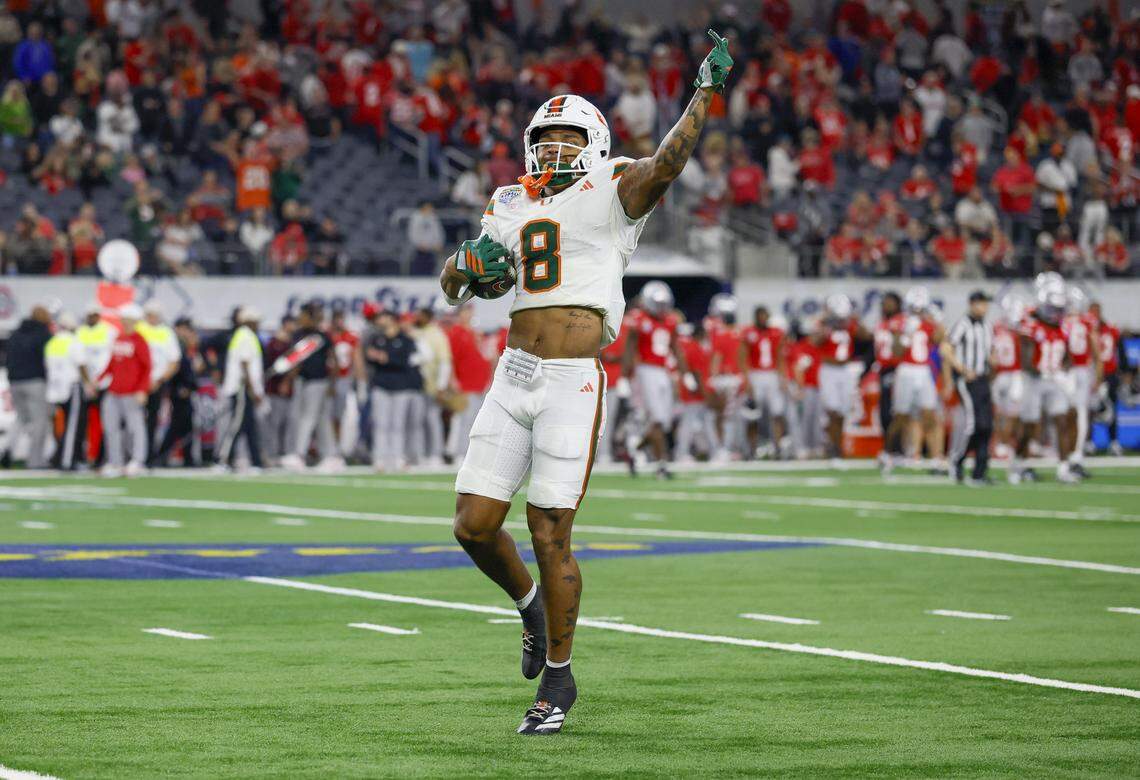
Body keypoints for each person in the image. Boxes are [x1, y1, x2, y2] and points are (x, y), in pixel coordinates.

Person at [437, 33, 731, 735]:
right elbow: (460, 286)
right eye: (550, 137)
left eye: (572, 138)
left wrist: (703, 94)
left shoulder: (614, 186)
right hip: (514, 372)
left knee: (548, 529)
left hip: (572, 377)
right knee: (473, 527)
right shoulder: (508, 201)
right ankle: (528, 605)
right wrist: (466, 263)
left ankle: (559, 683)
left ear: (594, 144)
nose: (560, 149)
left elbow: (668, 163)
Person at [622, 282, 691, 477]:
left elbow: (676, 348)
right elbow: (630, 348)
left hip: (663, 372)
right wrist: (625, 376)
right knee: (659, 420)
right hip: (645, 370)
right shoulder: (639, 318)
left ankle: (635, 449)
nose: (661, 308)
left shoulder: (670, 321)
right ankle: (662, 465)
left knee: (664, 422)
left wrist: (685, 375)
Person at [885, 287, 945, 467]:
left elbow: (940, 340)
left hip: (924, 370)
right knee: (901, 415)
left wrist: (939, 321)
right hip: (906, 370)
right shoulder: (899, 321)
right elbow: (895, 352)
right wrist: (904, 335)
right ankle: (887, 452)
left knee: (930, 413)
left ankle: (935, 457)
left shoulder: (928, 322)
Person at [279, 302, 342, 472]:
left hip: (318, 381)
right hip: (303, 381)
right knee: (321, 419)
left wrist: (332, 383)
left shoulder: (322, 336)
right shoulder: (299, 334)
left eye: (303, 315)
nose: (300, 318)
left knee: (307, 418)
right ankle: (331, 456)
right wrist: (289, 379)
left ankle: (299, 454)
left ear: (310, 316)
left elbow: (334, 360)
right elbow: (295, 359)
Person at [943, 291, 994, 484]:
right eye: (981, 304)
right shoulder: (962, 324)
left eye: (986, 304)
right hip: (967, 381)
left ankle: (979, 472)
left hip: (983, 380)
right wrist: (962, 369)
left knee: (987, 426)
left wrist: (992, 363)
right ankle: (957, 460)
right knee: (974, 425)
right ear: (972, 304)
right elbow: (945, 349)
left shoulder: (987, 326)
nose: (984, 308)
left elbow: (989, 353)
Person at [364, 308, 423, 471]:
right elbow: (370, 359)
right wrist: (377, 358)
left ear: (392, 319)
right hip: (381, 385)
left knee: (398, 424)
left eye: (383, 317)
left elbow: (404, 362)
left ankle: (397, 458)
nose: (380, 320)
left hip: (401, 386)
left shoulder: (405, 340)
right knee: (381, 424)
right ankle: (380, 459)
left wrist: (385, 358)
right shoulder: (377, 338)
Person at [100, 305, 151, 477]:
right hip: (114, 390)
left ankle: (137, 460)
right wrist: (99, 379)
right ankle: (115, 462)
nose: (124, 322)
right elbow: (111, 364)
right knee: (111, 427)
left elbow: (147, 367)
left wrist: (142, 389)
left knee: (135, 428)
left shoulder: (140, 340)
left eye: (127, 319)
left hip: (132, 391)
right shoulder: (118, 338)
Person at [216, 307, 265, 472]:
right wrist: (253, 390)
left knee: (249, 426)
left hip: (244, 389)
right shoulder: (245, 336)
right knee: (236, 425)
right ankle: (223, 459)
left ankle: (256, 461)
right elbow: (244, 365)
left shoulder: (245, 335)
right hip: (242, 389)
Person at [5, 304, 53, 468]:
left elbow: (8, 356)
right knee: (39, 422)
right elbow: (49, 359)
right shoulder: (43, 334)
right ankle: (35, 461)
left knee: (20, 418)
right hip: (35, 381)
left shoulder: (16, 333)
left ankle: (8, 449)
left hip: (15, 381)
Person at [739, 305, 788, 459]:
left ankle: (778, 448)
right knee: (752, 414)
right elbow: (743, 357)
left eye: (765, 315)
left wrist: (782, 377)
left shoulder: (776, 333)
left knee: (777, 412)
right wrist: (747, 379)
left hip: (772, 374)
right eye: (760, 316)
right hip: (756, 374)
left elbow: (780, 357)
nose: (763, 319)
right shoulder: (749, 333)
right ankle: (751, 449)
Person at [137, 301, 181, 465]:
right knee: (134, 422)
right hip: (137, 385)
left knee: (152, 422)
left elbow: (174, 361)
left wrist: (159, 380)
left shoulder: (166, 333)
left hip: (156, 383)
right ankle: (133, 455)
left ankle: (147, 456)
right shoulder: (139, 330)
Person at [152, 317, 200, 467]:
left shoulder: (184, 345)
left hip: (185, 388)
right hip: (179, 389)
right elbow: (175, 366)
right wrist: (179, 388)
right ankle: (161, 456)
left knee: (186, 426)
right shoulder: (174, 342)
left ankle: (187, 458)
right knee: (177, 426)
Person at [44, 312, 87, 471]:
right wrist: (88, 383)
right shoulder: (73, 341)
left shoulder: (52, 342)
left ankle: (57, 457)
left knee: (61, 426)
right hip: (71, 387)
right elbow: (81, 364)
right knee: (73, 426)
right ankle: (67, 460)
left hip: (55, 389)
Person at [873, 292, 904, 468]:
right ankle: (892, 449)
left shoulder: (902, 321)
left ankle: (896, 449)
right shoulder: (881, 324)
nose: (886, 306)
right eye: (884, 303)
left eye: (890, 303)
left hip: (898, 368)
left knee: (897, 411)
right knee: (885, 411)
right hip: (884, 369)